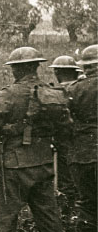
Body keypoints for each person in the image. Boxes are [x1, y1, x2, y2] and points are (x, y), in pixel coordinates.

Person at [0, 47, 68, 232]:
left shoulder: (10, 93)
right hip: (44, 161)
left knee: (6, 216)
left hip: (14, 165)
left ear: (16, 70)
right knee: (48, 214)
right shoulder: (51, 91)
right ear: (36, 66)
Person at [67, 45, 98, 232]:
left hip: (82, 155)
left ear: (84, 68)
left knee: (87, 202)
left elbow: (63, 120)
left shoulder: (73, 90)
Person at [48, 56, 81, 220]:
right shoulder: (82, 88)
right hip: (84, 142)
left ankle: (67, 214)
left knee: (65, 179)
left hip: (62, 142)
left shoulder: (55, 93)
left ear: (57, 72)